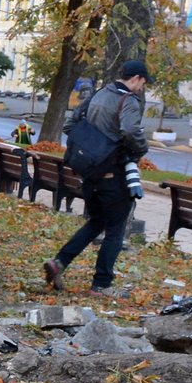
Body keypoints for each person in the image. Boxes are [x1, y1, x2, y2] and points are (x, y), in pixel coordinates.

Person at [45, 59, 151, 297]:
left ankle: (59, 262)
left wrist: (91, 149)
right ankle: (101, 284)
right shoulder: (129, 101)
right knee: (115, 229)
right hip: (114, 176)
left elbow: (70, 125)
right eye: (143, 83)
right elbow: (131, 131)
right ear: (135, 79)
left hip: (89, 174)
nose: (142, 88)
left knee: (96, 222)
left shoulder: (98, 94)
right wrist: (140, 150)